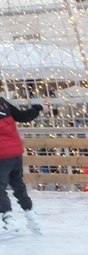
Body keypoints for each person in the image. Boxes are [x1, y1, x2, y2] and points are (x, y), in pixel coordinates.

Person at [0, 93, 43, 234]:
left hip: (2, 154)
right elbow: (23, 117)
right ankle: (32, 218)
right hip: (15, 151)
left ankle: (9, 219)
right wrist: (36, 108)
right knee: (18, 185)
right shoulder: (2, 103)